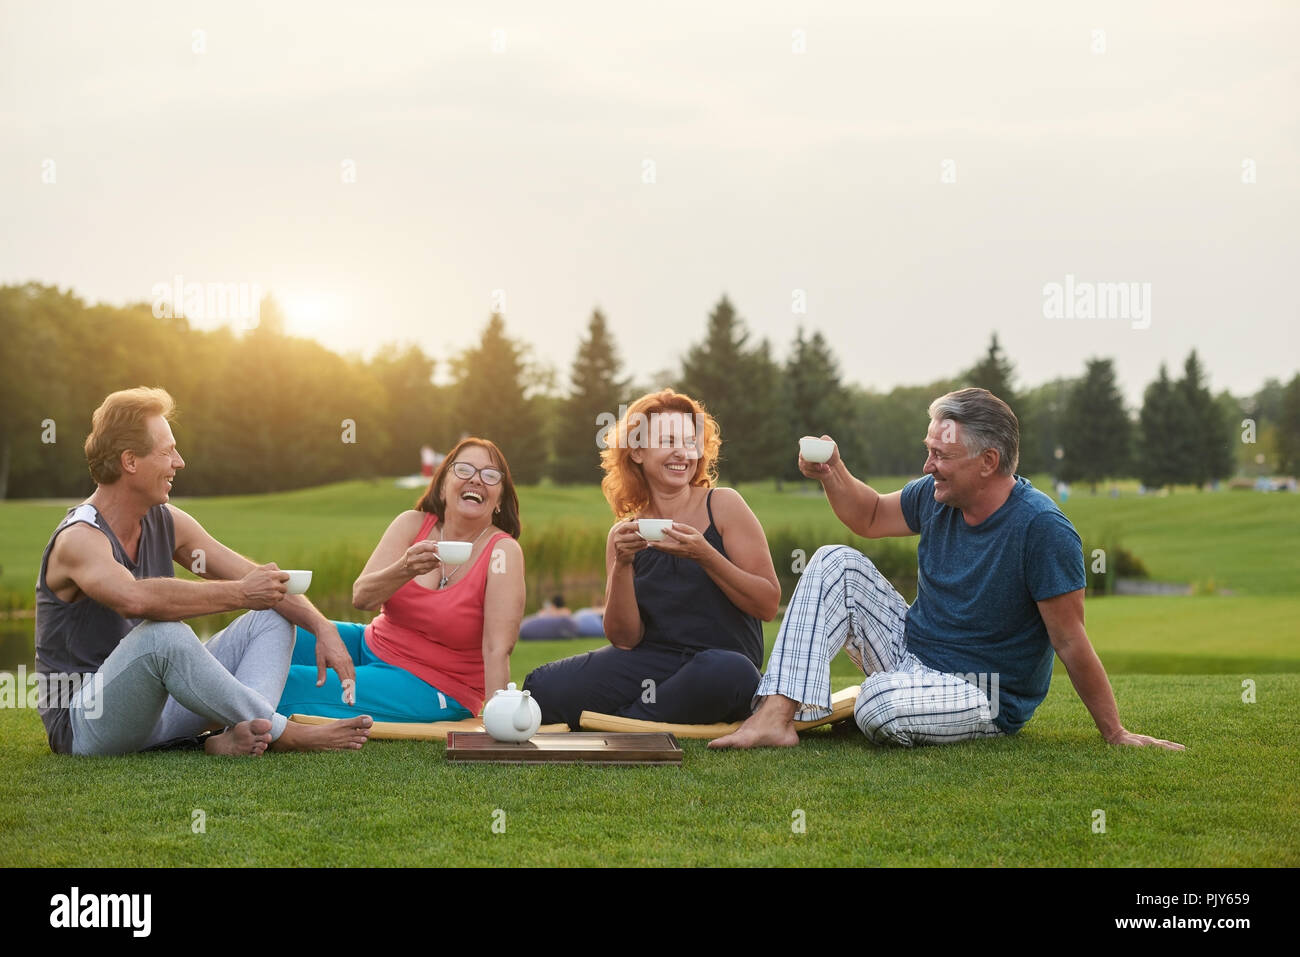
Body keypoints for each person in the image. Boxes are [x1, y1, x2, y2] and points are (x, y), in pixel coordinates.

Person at [712, 388, 1184, 751]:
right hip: (913, 653)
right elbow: (870, 516)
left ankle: (891, 698)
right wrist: (833, 470)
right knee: (836, 561)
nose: (927, 464)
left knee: (877, 704)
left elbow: (1069, 639)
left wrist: (1115, 732)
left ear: (988, 462)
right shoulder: (937, 495)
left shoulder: (1042, 528)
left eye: (941, 455)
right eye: (929, 450)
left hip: (984, 691)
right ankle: (776, 716)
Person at [35, 387, 373, 757]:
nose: (179, 462)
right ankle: (279, 730)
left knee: (273, 617)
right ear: (130, 461)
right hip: (88, 723)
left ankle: (243, 731)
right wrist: (243, 594)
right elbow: (134, 599)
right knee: (163, 636)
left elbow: (257, 576)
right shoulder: (80, 539)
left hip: (158, 710)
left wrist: (321, 626)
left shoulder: (168, 522)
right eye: (167, 452)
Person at [524, 390, 780, 727]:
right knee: (543, 686)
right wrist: (622, 566)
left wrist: (704, 555)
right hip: (651, 663)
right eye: (668, 440)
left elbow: (767, 604)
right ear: (638, 452)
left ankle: (625, 724)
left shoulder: (723, 506)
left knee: (730, 673)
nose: (681, 452)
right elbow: (625, 639)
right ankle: (643, 718)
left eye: (690, 441)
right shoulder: (624, 534)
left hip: (720, 663)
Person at [276, 437, 525, 722]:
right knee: (274, 633)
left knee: (290, 683)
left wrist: (498, 720)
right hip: (367, 644)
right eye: (464, 470)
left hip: (434, 684)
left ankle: (225, 728)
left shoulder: (503, 552)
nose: (477, 480)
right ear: (443, 485)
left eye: (490, 475)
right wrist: (404, 568)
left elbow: (497, 648)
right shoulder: (411, 524)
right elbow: (363, 598)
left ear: (500, 500)